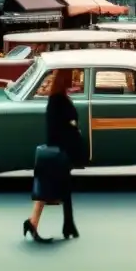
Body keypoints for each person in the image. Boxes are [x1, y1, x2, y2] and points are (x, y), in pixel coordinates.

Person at [24, 68, 83, 243]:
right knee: (57, 188)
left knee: (56, 188)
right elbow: (63, 126)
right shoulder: (59, 100)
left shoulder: (56, 98)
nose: (74, 79)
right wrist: (73, 129)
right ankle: (63, 225)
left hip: (58, 148)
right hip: (60, 150)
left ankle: (64, 225)